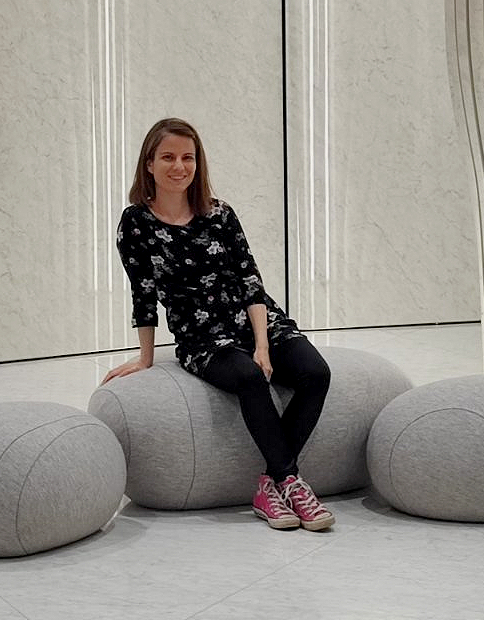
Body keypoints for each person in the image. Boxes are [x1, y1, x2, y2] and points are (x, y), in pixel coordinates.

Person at [101, 118, 334, 531]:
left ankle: (273, 480)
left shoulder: (220, 213)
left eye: (187, 157)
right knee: (248, 379)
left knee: (316, 372)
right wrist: (145, 358)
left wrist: (262, 345)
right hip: (202, 336)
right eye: (168, 157)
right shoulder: (135, 223)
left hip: (256, 321)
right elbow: (143, 293)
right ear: (149, 164)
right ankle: (290, 483)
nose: (179, 166)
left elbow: (250, 279)